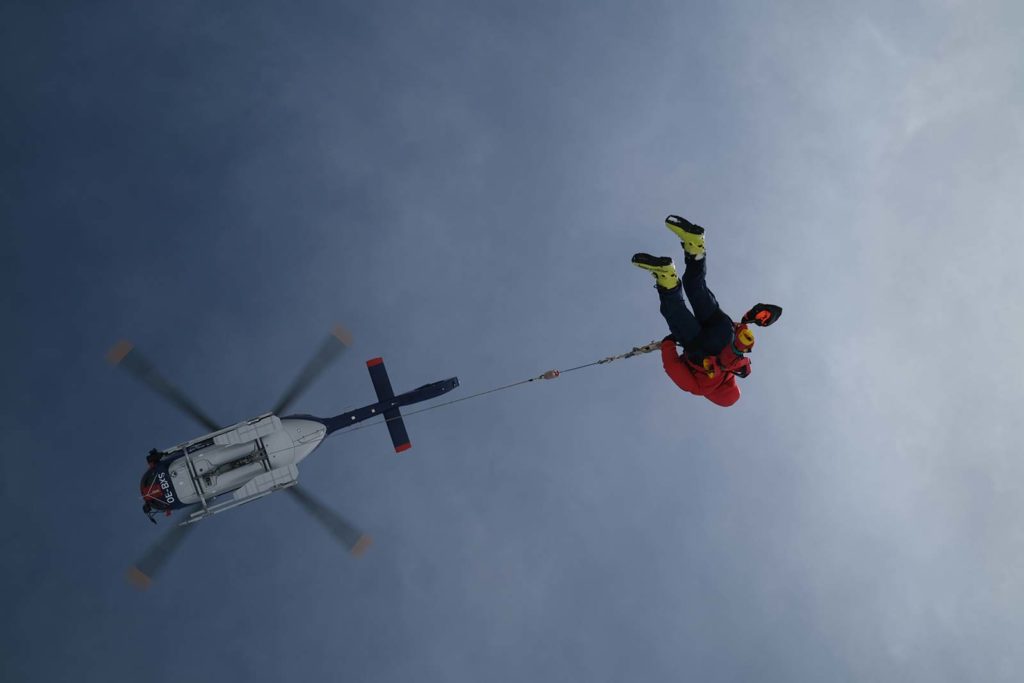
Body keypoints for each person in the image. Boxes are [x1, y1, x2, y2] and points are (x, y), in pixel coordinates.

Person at [632, 214, 778, 407]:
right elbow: (673, 368)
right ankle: (666, 275)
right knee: (674, 310)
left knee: (695, 286)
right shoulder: (703, 387)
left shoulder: (733, 363)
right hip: (698, 345)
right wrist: (668, 344)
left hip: (723, 330)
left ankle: (695, 247)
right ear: (714, 397)